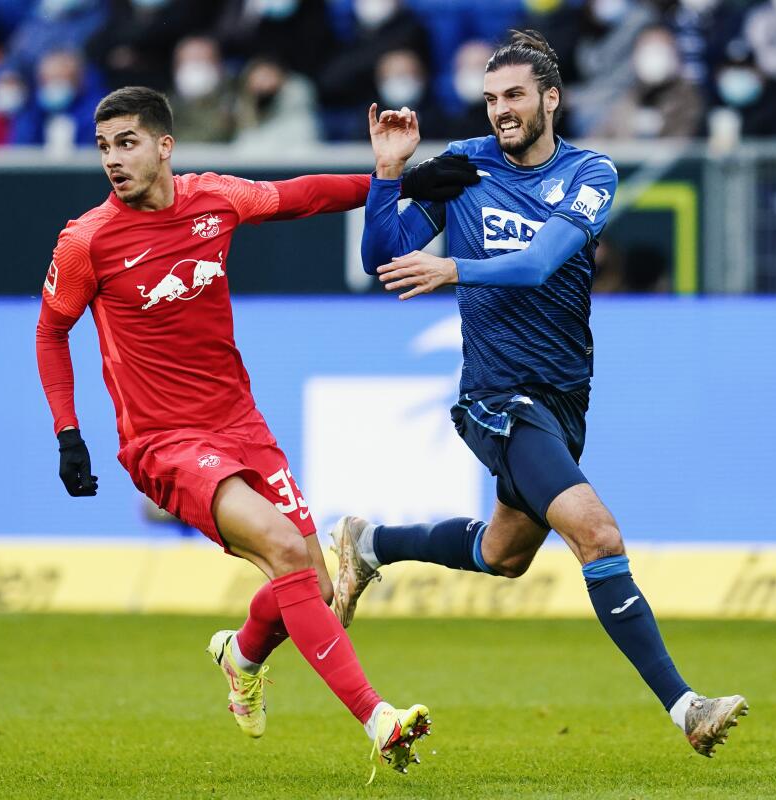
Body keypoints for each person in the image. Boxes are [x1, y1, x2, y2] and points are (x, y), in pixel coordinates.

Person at [33, 86, 474, 776]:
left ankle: (241, 655)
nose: (113, 160)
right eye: (103, 147)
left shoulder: (215, 200)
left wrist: (398, 178)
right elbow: (50, 330)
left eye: (127, 143)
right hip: (164, 443)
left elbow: (302, 194)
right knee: (282, 549)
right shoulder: (88, 240)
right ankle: (377, 717)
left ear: (163, 146)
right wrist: (69, 431)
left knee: (318, 589)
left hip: (239, 423)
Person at [335, 29, 750, 758]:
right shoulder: (464, 165)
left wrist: (455, 270)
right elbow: (383, 258)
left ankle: (368, 543)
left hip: (563, 398)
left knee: (503, 554)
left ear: (550, 99)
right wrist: (387, 175)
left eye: (515, 96)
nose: (501, 110)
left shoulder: (591, 171)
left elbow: (537, 264)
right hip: (496, 396)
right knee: (598, 533)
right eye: (491, 98)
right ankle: (686, 706)